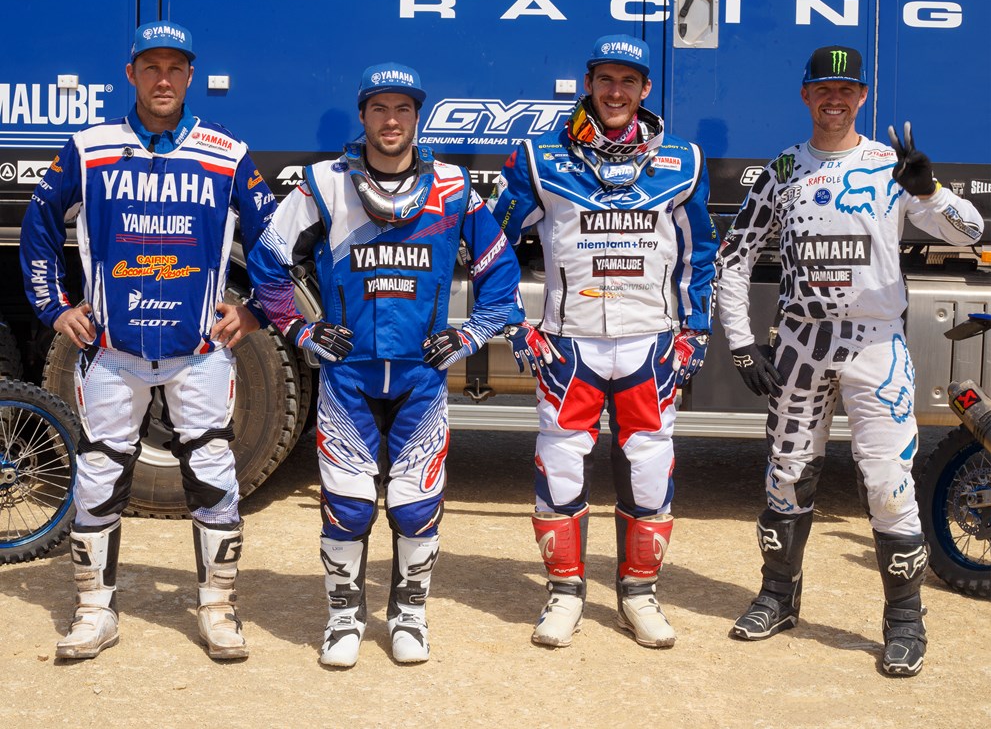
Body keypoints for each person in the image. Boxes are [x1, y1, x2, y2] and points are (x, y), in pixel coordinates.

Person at [717, 45, 984, 676]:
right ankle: (778, 597)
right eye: (822, 89)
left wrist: (931, 190)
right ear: (805, 96)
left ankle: (905, 622)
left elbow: (972, 234)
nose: (834, 99)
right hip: (800, 342)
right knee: (786, 475)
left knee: (889, 485)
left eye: (846, 89)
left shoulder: (892, 166)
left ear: (862, 96)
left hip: (875, 345)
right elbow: (732, 257)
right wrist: (742, 342)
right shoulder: (783, 169)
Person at [246, 63, 522, 667]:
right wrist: (298, 328)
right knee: (346, 505)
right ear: (363, 115)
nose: (390, 120)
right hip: (349, 378)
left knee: (416, 506)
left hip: (422, 378)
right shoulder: (324, 184)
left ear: (417, 117)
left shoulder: (452, 187)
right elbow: (267, 257)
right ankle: (344, 616)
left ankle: (409, 615)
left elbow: (500, 270)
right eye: (379, 108)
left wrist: (472, 333)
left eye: (402, 109)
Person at [20, 20, 278, 661]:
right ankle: (93, 611)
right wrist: (54, 307)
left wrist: (257, 312)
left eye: (175, 68)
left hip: (199, 354)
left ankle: (218, 610)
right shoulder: (89, 148)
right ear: (131, 74)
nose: (163, 79)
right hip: (113, 352)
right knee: (98, 476)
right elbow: (39, 223)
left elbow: (277, 239)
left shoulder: (227, 153)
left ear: (190, 77)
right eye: (151, 67)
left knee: (214, 477)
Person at [489, 35, 719, 648]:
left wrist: (696, 329)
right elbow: (492, 242)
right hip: (569, 345)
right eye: (606, 80)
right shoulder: (539, 157)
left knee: (649, 470)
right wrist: (513, 321)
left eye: (629, 82)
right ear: (589, 83)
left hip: (650, 343)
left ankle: (639, 595)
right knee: (561, 469)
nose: (616, 92)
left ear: (646, 90)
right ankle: (565, 594)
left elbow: (701, 253)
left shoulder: (683, 160)